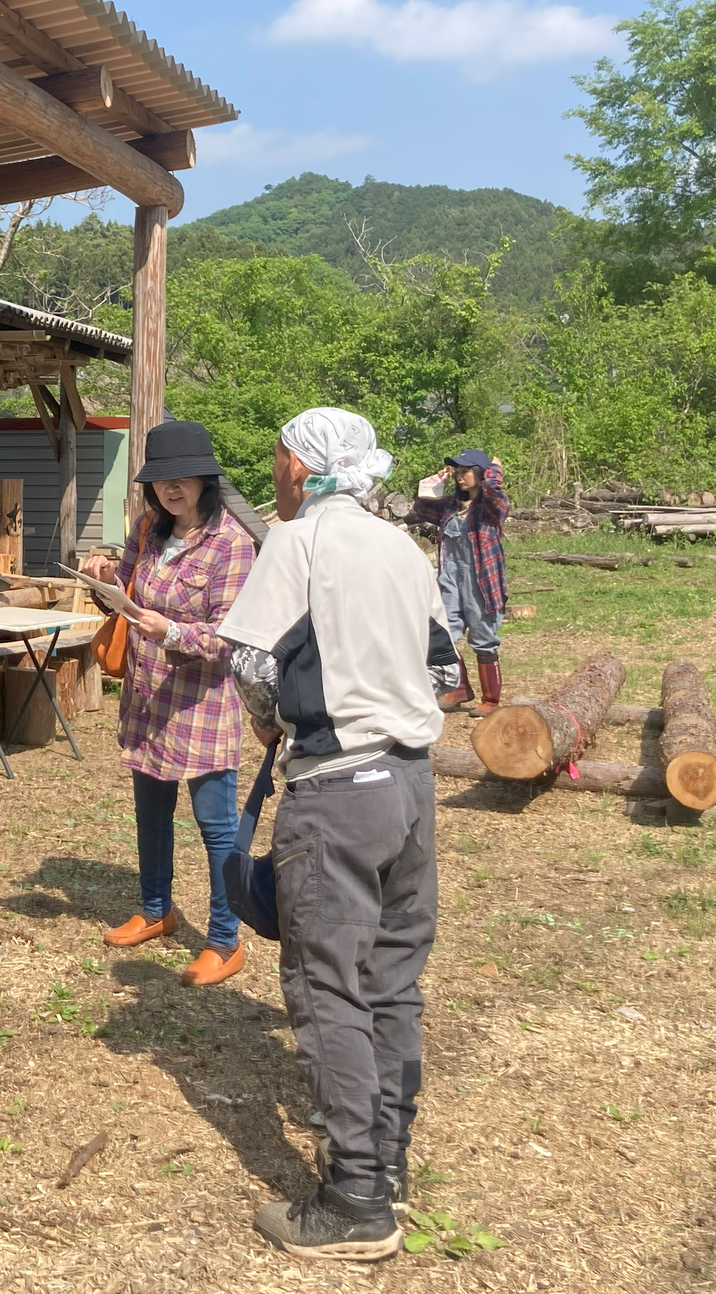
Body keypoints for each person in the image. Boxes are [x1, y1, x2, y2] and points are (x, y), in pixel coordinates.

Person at [219, 407, 460, 1264]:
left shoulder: (300, 542)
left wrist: (271, 724)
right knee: (392, 984)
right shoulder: (403, 547)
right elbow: (445, 667)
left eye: (278, 457)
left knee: (328, 989)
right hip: (411, 784)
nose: (276, 473)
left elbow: (250, 664)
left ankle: (354, 1200)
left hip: (337, 788)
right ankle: (387, 1164)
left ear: (298, 465)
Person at [82, 419, 256, 987]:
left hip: (201, 703)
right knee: (150, 815)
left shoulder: (231, 543)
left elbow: (229, 637)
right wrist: (104, 580)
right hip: (147, 696)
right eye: (160, 480)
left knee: (216, 826)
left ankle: (225, 940)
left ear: (205, 479)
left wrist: (170, 632)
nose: (170, 489)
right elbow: (126, 595)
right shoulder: (148, 528)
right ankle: (157, 910)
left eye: (181, 478)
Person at [408, 448, 510, 714]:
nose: (459, 476)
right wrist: (431, 487)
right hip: (450, 580)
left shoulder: (490, 508)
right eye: (457, 471)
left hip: (481, 584)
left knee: (483, 639)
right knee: (446, 635)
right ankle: (459, 688)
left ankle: (491, 701)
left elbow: (495, 497)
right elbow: (420, 508)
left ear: (480, 473)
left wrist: (493, 474)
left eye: (466, 471)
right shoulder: (450, 507)